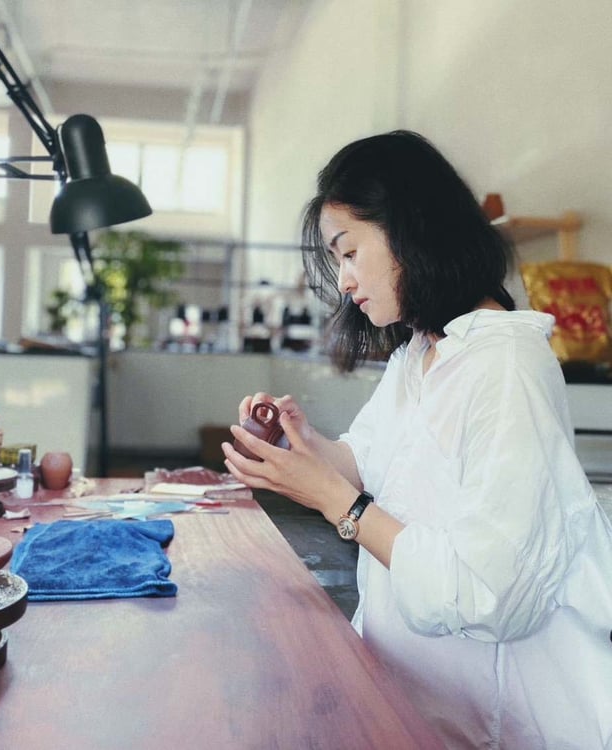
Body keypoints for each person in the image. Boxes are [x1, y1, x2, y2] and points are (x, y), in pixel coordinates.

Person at [221, 131, 612, 749]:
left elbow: (489, 594)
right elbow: (366, 462)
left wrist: (338, 504)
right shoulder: (422, 351)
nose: (345, 280)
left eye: (350, 253)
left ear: (411, 229)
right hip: (418, 706)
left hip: (496, 723)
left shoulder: (504, 366)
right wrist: (300, 443)